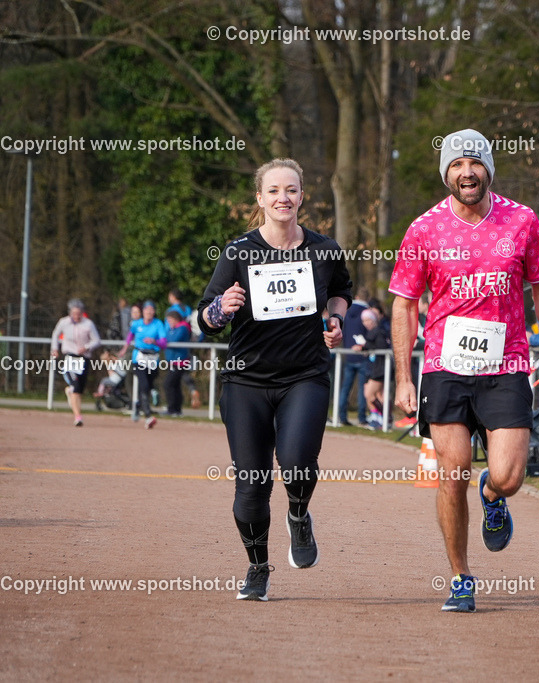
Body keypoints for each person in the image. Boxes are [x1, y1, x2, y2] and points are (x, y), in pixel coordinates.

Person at [390, 128, 539, 612]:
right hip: (445, 366)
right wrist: (405, 378)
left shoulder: (522, 220)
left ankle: (493, 498)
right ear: (446, 173)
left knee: (508, 474)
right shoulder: (423, 229)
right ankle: (460, 577)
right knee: (452, 472)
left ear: (489, 169)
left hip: (506, 361)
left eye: (474, 163)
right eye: (456, 165)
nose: (466, 172)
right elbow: (405, 305)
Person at [197, 158, 352, 602]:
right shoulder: (238, 252)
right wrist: (219, 309)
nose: (282, 198)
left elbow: (343, 290)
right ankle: (258, 567)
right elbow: (204, 320)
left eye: (291, 190)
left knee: (298, 462)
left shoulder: (323, 250)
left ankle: (299, 516)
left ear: (302, 196)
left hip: (305, 375)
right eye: (273, 191)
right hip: (246, 383)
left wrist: (336, 320)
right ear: (260, 199)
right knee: (252, 485)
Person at [50, 299, 101, 427]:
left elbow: (97, 340)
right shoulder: (64, 322)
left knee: (80, 388)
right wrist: (55, 349)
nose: (76, 316)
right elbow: (55, 335)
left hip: (83, 358)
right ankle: (78, 416)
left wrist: (87, 347)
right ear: (70, 313)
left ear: (82, 313)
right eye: (74, 313)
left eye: (79, 314)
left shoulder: (88, 324)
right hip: (70, 357)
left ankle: (70, 391)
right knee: (76, 387)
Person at [123, 300, 168, 429]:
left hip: (153, 358)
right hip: (139, 358)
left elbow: (164, 343)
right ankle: (148, 416)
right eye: (146, 310)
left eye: (151, 310)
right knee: (144, 385)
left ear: (154, 312)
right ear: (143, 312)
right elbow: (130, 336)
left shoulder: (158, 324)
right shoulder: (136, 324)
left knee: (148, 387)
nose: (149, 312)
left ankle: (137, 406)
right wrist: (125, 348)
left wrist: (154, 341)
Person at [337, 288, 371, 426]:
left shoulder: (347, 311)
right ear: (366, 298)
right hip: (362, 355)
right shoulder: (367, 313)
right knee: (362, 388)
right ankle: (362, 417)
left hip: (348, 354)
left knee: (345, 388)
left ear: (356, 296)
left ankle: (341, 416)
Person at [357, 308, 390, 429]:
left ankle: (381, 418)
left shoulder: (379, 332)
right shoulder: (372, 332)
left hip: (380, 368)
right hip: (374, 367)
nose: (365, 323)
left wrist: (365, 346)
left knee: (369, 394)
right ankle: (380, 418)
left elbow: (381, 347)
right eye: (363, 321)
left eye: (367, 320)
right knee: (378, 395)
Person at [164, 310, 194, 417]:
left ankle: (172, 409)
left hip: (180, 361)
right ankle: (176, 409)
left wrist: (166, 337)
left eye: (170, 320)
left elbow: (172, 339)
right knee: (175, 385)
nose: (169, 323)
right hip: (173, 361)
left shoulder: (182, 328)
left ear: (175, 319)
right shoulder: (174, 329)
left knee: (168, 384)